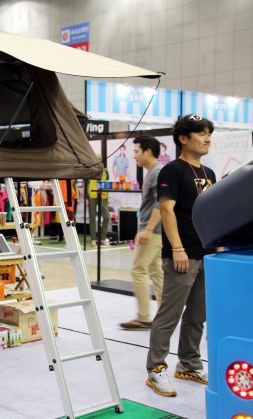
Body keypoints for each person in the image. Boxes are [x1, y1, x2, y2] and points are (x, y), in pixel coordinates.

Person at [146, 114, 216, 397]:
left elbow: (210, 212)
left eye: (209, 133)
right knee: (170, 313)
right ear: (183, 139)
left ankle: (188, 364)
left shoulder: (209, 173)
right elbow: (166, 210)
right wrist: (177, 248)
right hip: (181, 253)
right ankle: (156, 369)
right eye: (201, 133)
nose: (207, 138)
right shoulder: (172, 170)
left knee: (198, 315)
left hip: (206, 252)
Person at [120, 136, 164, 330]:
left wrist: (147, 230)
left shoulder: (157, 173)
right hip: (155, 231)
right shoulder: (153, 172)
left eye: (137, 151)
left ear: (148, 151)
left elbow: (160, 204)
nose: (134, 156)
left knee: (138, 270)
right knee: (156, 273)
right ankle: (164, 315)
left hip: (153, 231)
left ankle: (144, 317)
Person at [86, 159, 110, 246]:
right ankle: (93, 239)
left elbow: (107, 182)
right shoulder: (90, 170)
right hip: (92, 195)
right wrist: (86, 198)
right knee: (92, 217)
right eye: (96, 159)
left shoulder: (105, 171)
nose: (98, 161)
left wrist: (107, 196)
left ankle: (102, 238)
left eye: (99, 159)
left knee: (106, 217)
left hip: (103, 195)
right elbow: (86, 184)